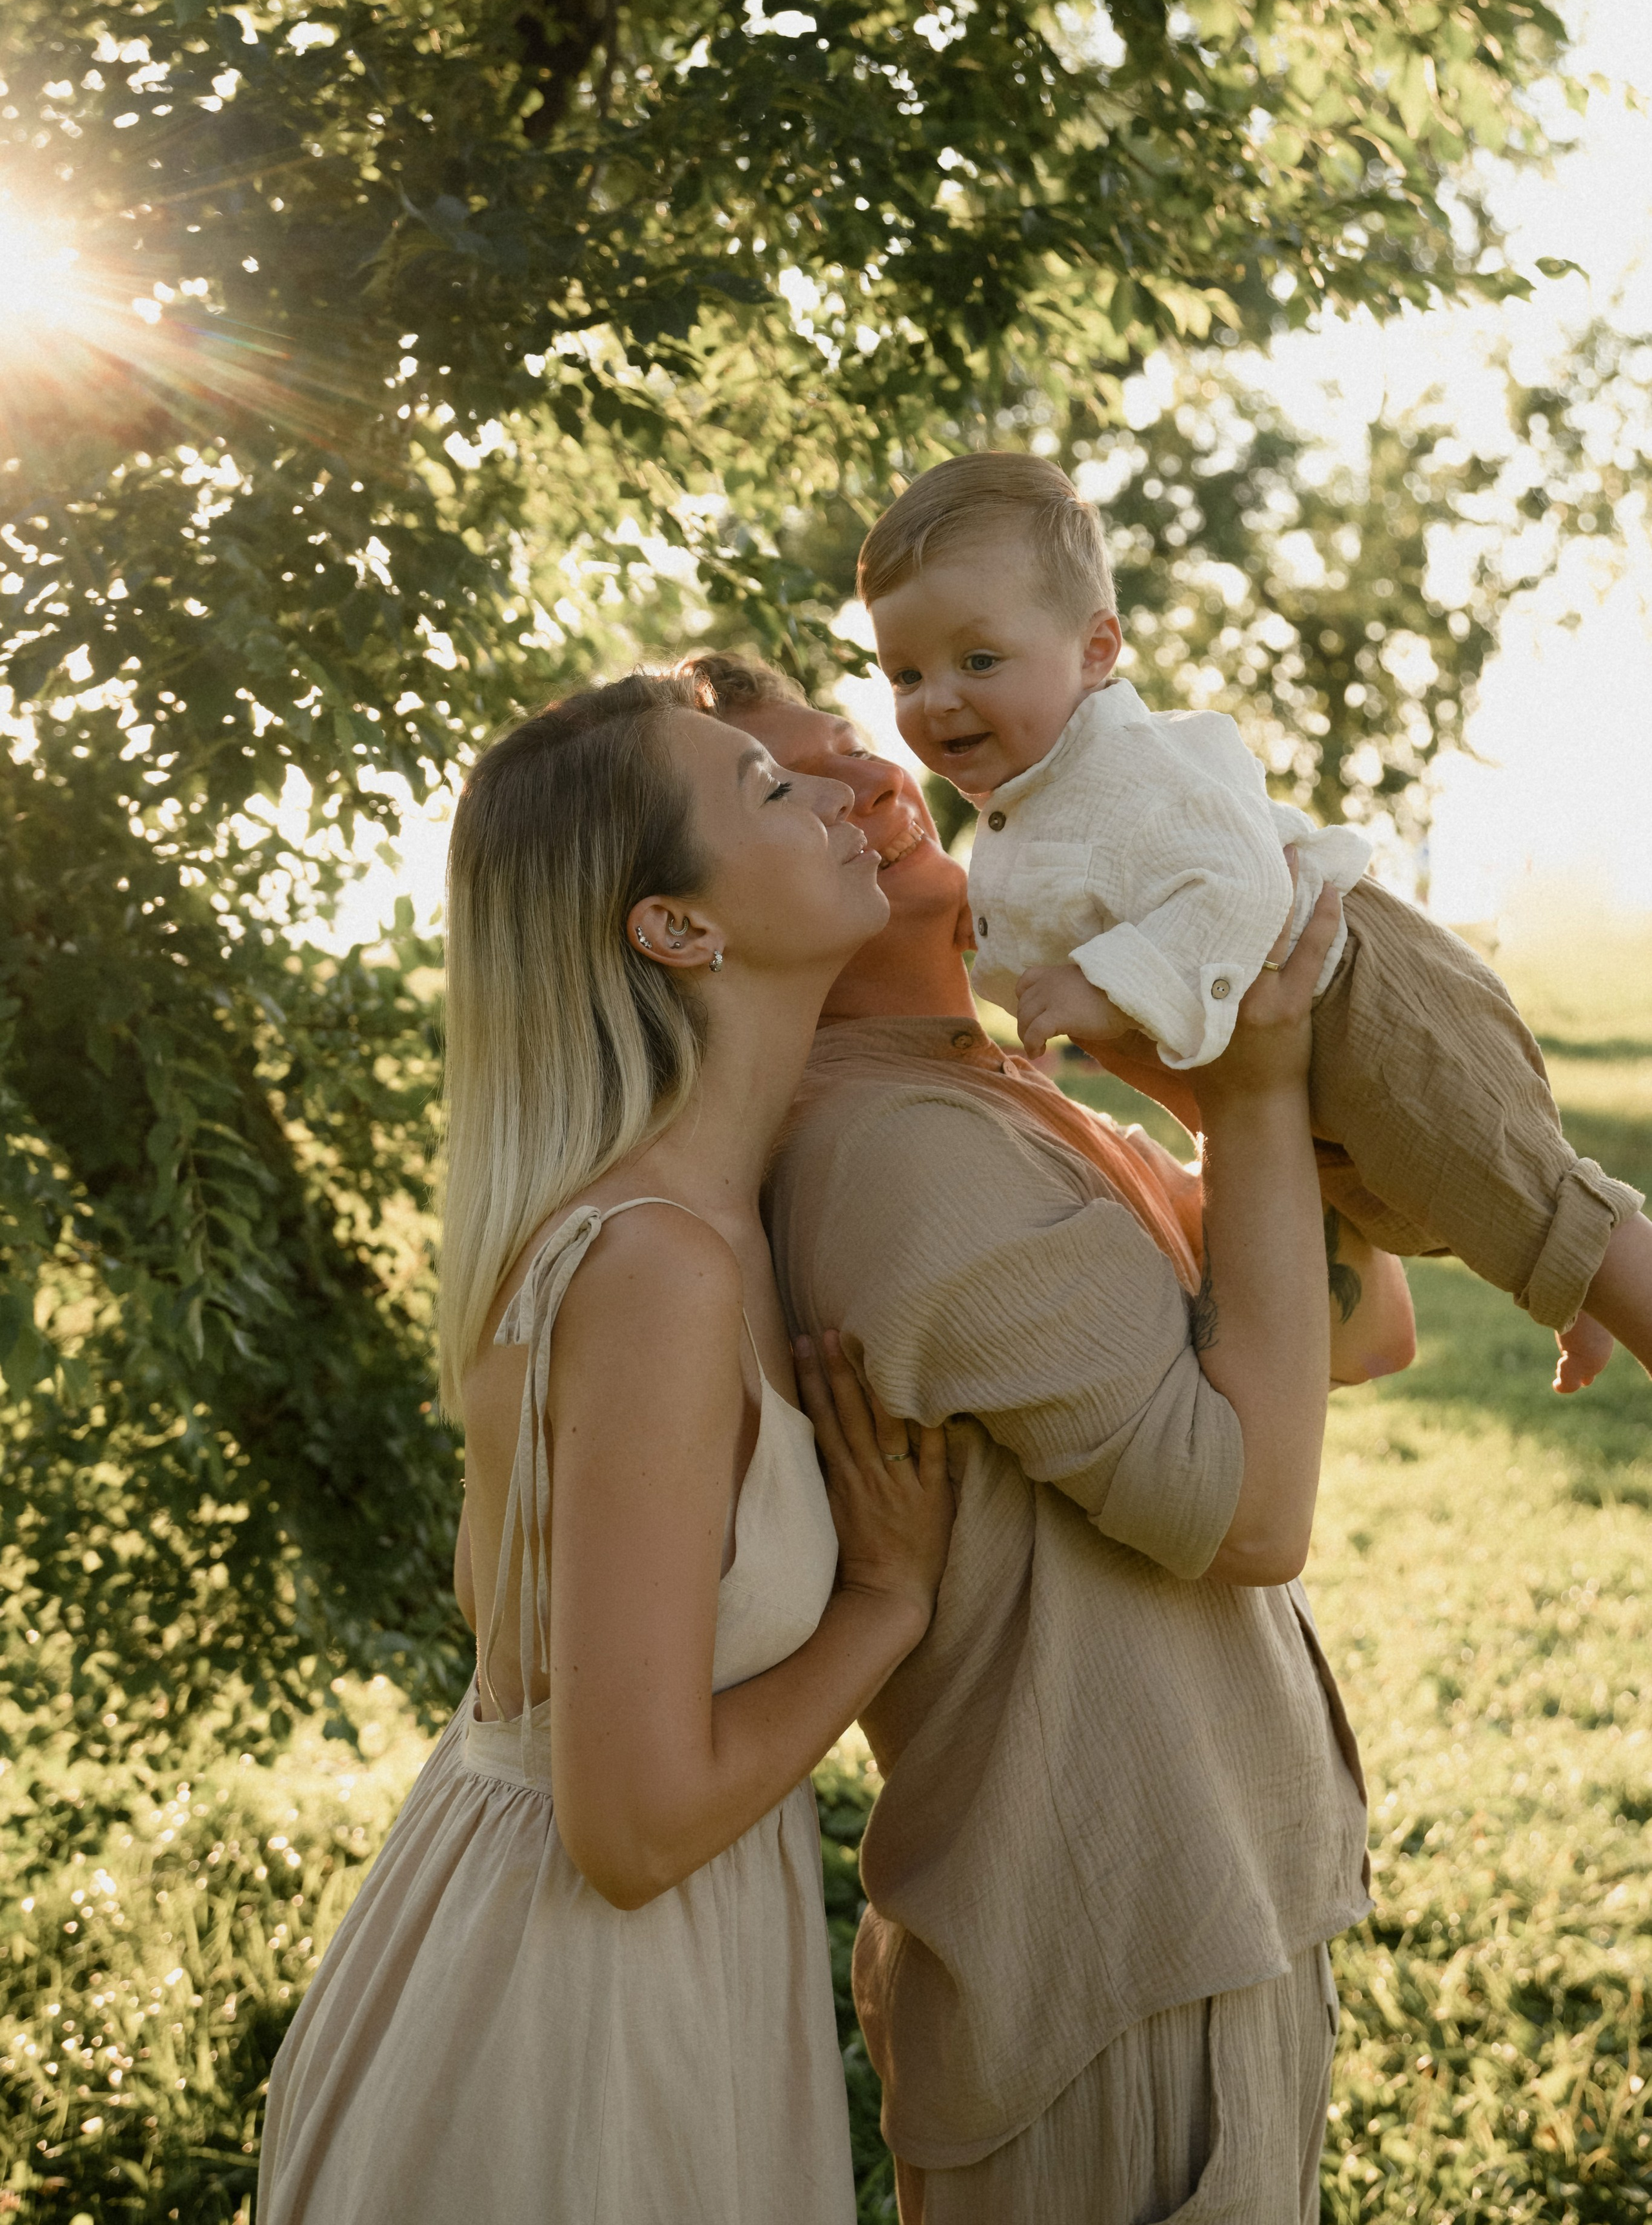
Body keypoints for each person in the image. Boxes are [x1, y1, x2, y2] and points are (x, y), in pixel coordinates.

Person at [686, 647, 1418, 2225]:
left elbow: (1362, 1326)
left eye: (848, 739)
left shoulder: (999, 1089)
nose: (875, 776)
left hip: (1201, 1921)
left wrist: (1206, 1019)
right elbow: (1247, 1514)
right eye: (785, 783)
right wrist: (1258, 1091)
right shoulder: (894, 1156)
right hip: (1106, 1969)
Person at [257, 672, 954, 2225]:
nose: (837, 794)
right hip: (574, 2022)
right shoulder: (656, 1273)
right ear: (675, 930)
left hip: (630, 1963)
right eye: (769, 793)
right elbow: (629, 1827)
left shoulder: (717, 1216)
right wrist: (882, 1611)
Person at [856, 451, 1651, 1398]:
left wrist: (1105, 983)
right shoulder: (1032, 801)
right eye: (905, 673)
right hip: (1302, 1042)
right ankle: (1586, 1289)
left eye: (978, 660)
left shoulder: (1137, 765)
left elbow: (1238, 885)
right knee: (1454, 1198)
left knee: (1499, 1174)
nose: (937, 697)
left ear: (1098, 651)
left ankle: (1609, 1283)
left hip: (1359, 989)